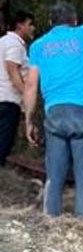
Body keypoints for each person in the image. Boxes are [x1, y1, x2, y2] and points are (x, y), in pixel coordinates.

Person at [24, 0, 83, 218]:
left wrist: (28, 120)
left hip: (55, 114)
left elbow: (31, 85)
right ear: (75, 21)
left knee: (54, 174)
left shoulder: (38, 46)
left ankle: (51, 220)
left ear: (51, 23)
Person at [0, 10, 35, 166]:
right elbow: (13, 72)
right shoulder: (14, 44)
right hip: (7, 101)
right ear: (20, 25)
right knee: (3, 143)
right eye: (30, 24)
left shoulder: (3, 42)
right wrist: (28, 96)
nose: (33, 28)